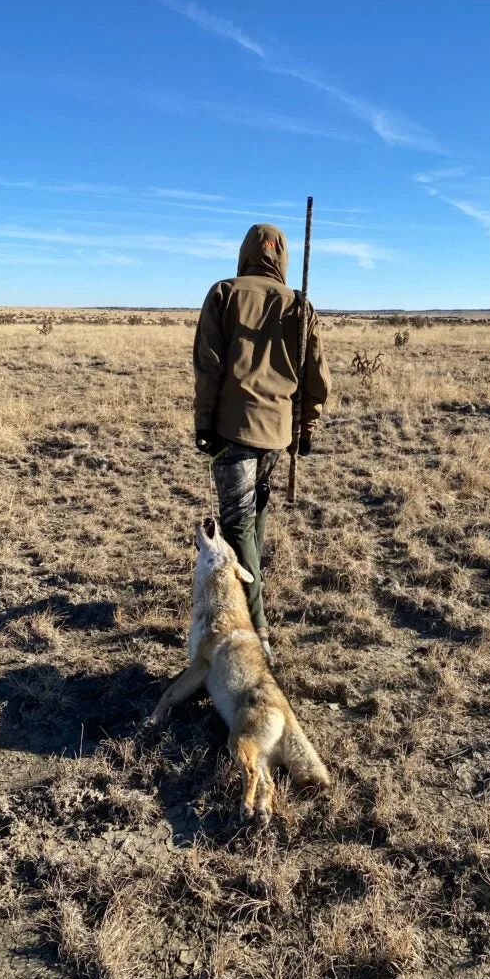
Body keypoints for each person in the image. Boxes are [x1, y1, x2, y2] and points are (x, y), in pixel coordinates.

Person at [192, 223, 331, 659]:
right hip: (278, 434)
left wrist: (203, 424)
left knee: (237, 525)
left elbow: (208, 366)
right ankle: (250, 608)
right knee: (251, 521)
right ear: (282, 258)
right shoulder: (299, 306)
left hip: (231, 433)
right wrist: (305, 429)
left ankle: (256, 630)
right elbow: (316, 379)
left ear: (246, 252)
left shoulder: (224, 293)